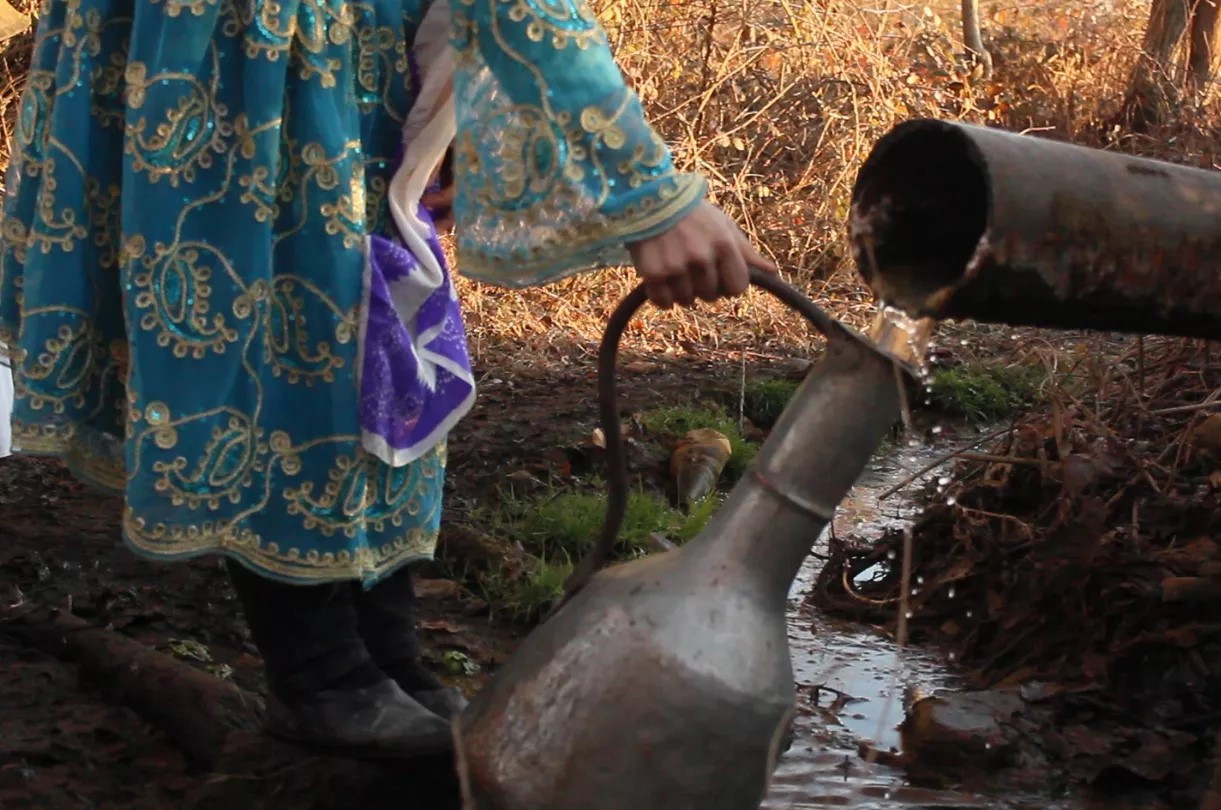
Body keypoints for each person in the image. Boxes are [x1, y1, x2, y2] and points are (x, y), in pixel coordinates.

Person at [0, 0, 776, 758]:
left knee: (378, 329)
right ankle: (320, 672)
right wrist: (652, 198)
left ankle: (386, 649)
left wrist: (451, 103)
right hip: (248, 55)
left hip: (343, 52)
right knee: (292, 333)